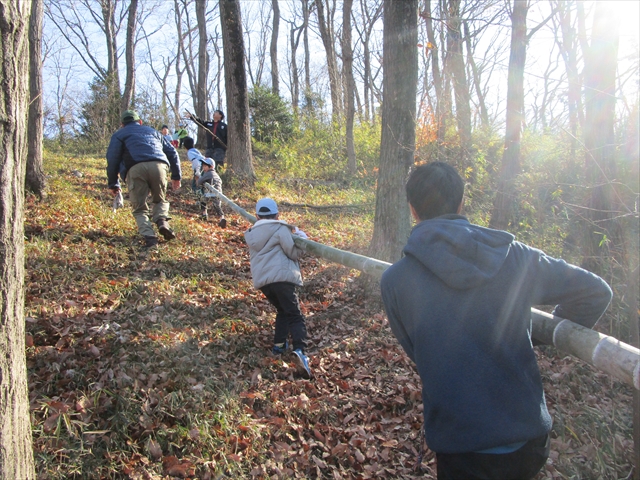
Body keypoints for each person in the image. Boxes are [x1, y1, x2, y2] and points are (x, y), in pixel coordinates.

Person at [380, 162, 612, 480]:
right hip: (528, 440)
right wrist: (543, 336)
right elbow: (596, 292)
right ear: (462, 203)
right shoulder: (514, 256)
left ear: (412, 209)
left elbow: (418, 351)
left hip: (460, 445)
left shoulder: (395, 281)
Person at [244, 198, 311, 379]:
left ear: (257, 215)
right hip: (282, 278)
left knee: (282, 310)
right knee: (295, 315)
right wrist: (303, 239)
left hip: (264, 283)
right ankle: (300, 350)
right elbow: (292, 252)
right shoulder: (280, 228)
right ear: (277, 214)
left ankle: (279, 345)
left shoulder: (251, 233)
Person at [106, 110, 182, 249]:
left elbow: (112, 159)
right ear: (140, 122)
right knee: (160, 199)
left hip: (135, 168)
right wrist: (176, 176)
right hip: (160, 165)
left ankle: (150, 238)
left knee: (140, 208)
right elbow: (172, 152)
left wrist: (113, 183)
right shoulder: (153, 132)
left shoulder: (119, 135)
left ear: (122, 124)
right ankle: (161, 221)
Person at [196, 157, 227, 228]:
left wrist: (198, 177)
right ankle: (222, 218)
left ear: (211, 166)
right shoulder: (215, 174)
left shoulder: (208, 173)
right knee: (217, 206)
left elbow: (199, 182)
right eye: (203, 166)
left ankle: (204, 214)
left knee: (202, 200)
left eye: (205, 166)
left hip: (211, 192)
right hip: (219, 192)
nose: (204, 168)